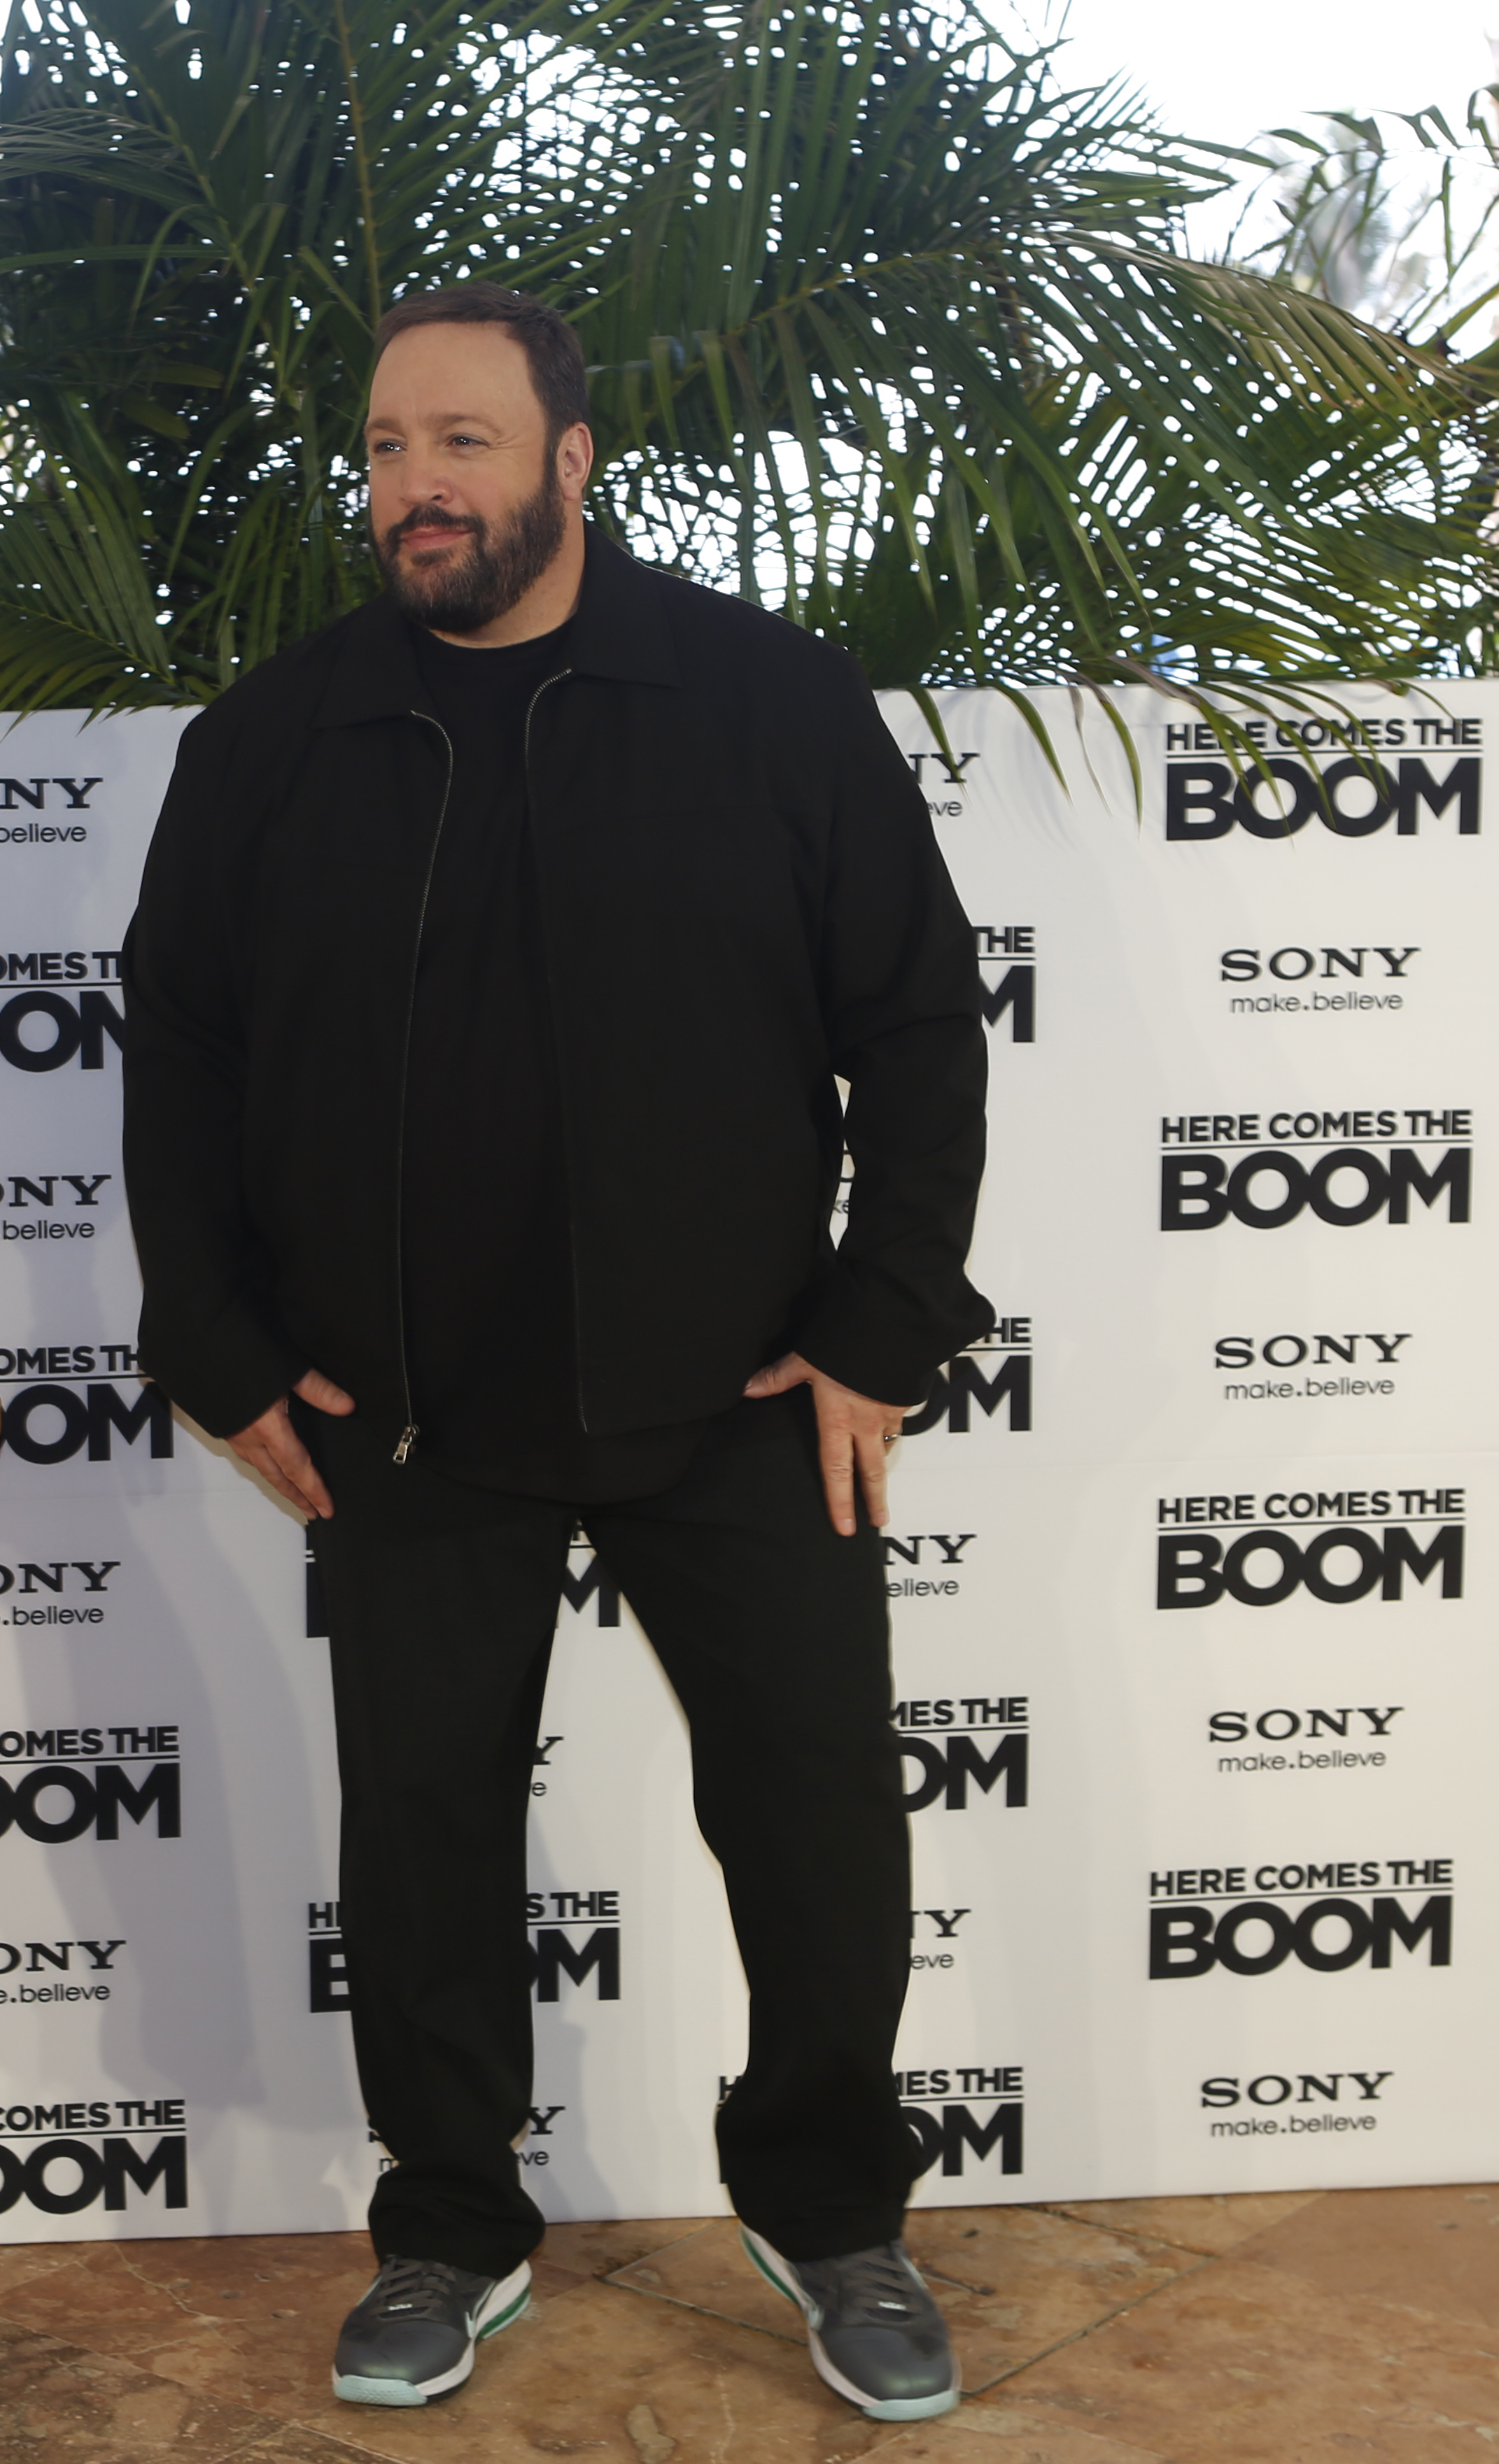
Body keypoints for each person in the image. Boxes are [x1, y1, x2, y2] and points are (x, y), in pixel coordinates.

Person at [122, 282, 992, 2426]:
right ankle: (447, 2222)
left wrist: (882, 1321)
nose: (416, 486)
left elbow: (917, 1021)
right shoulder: (271, 738)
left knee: (810, 1819)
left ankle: (833, 2207)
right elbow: (185, 1065)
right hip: (400, 1412)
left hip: (745, 1393)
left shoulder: (767, 702)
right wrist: (217, 1343)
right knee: (421, 1837)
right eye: (390, 447)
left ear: (570, 462)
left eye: (465, 445)